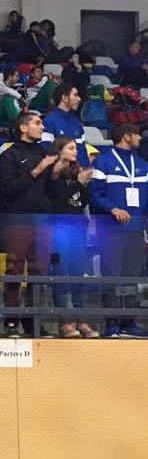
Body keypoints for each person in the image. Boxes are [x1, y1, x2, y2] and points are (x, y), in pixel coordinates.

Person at [0, 112, 56, 338]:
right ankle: (12, 322)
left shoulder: (45, 153)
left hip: (43, 221)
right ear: (23, 128)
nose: (42, 127)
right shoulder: (10, 155)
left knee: (39, 274)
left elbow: (51, 189)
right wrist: (36, 171)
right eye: (37, 123)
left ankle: (35, 322)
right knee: (14, 272)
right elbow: (8, 190)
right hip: (18, 220)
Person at [89, 123, 148, 338]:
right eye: (137, 135)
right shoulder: (103, 162)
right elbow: (94, 195)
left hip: (136, 229)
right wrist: (112, 209)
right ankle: (111, 322)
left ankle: (129, 322)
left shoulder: (142, 164)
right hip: (110, 230)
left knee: (132, 275)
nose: (140, 139)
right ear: (126, 136)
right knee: (111, 275)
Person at [46, 137, 97, 338]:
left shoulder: (77, 173)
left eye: (76, 148)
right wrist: (78, 184)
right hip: (59, 229)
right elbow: (57, 202)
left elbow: (84, 201)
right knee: (62, 273)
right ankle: (65, 321)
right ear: (59, 151)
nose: (76, 151)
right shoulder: (52, 175)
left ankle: (81, 319)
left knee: (79, 274)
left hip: (78, 228)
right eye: (71, 148)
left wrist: (83, 185)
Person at [41, 82, 89, 167]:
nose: (79, 99)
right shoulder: (48, 122)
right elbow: (46, 151)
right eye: (75, 95)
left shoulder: (77, 122)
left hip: (79, 172)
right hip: (60, 172)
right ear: (65, 98)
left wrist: (85, 169)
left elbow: (82, 151)